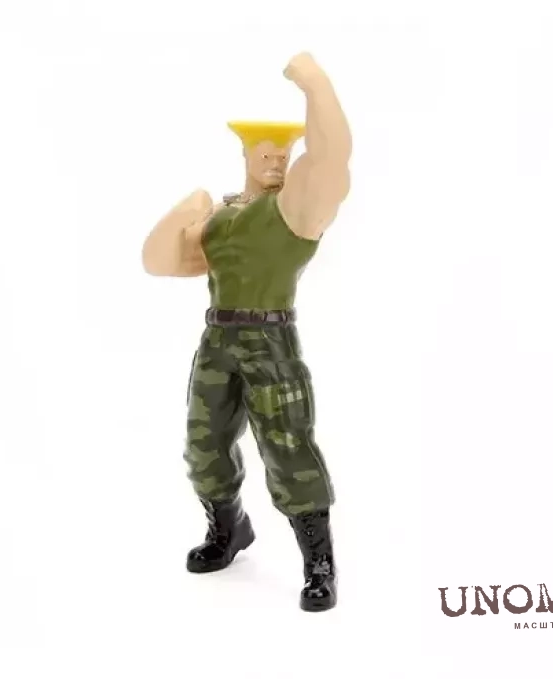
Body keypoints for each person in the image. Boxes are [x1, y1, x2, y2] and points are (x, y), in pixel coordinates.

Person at [141, 51, 352, 612]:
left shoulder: (292, 213)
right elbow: (161, 261)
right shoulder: (223, 217)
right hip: (217, 339)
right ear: (246, 157)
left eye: (284, 154)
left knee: (288, 447)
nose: (278, 161)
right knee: (203, 444)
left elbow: (331, 160)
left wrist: (314, 82)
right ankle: (228, 528)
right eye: (267, 154)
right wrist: (188, 209)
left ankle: (319, 563)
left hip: (270, 341)